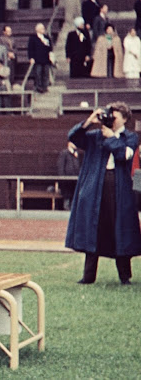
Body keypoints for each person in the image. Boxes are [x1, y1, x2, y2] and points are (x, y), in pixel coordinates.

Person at [65, 102, 141, 284]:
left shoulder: (130, 137)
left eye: (114, 117)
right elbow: (73, 137)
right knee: (94, 227)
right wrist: (89, 121)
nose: (110, 120)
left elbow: (124, 155)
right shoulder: (94, 136)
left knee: (120, 227)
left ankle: (125, 276)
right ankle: (88, 276)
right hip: (95, 186)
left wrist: (110, 138)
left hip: (119, 187)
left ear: (124, 118)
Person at [28, 23, 54, 93]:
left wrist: (51, 57)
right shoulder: (33, 38)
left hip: (46, 58)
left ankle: (45, 86)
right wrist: (31, 58)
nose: (43, 29)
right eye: (42, 28)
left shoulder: (46, 37)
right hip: (37, 59)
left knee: (46, 74)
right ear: (38, 29)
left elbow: (50, 48)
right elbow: (30, 49)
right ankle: (38, 87)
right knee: (38, 73)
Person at [57, 141, 80, 211]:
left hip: (75, 179)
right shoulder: (64, 153)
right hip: (67, 180)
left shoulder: (76, 154)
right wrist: (62, 178)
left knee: (74, 195)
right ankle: (66, 208)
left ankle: (72, 209)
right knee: (67, 195)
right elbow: (60, 166)